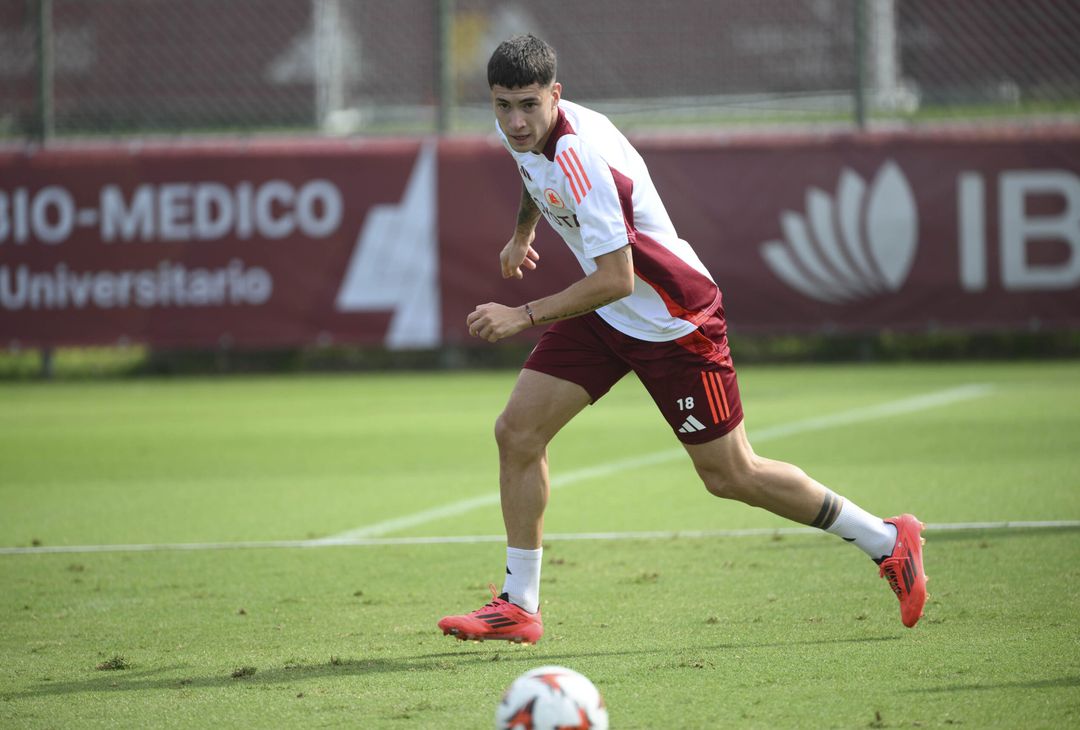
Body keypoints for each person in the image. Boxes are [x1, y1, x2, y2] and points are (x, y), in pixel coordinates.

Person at [437, 34, 926, 644]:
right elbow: (532, 173)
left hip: (674, 322)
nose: (514, 122)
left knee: (731, 475)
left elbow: (617, 278)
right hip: (609, 317)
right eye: (503, 106)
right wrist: (522, 234)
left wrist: (523, 315)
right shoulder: (527, 132)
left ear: (555, 96)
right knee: (517, 432)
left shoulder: (581, 156)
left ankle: (885, 538)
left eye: (528, 106)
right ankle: (519, 604)